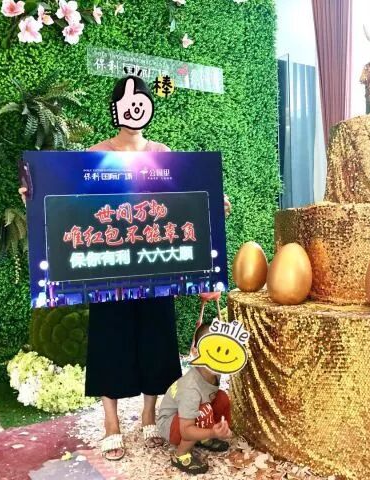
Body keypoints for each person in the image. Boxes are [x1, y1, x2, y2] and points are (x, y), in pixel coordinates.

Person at [19, 75, 231, 462]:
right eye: (127, 104)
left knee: (156, 339)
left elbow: (182, 203)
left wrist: (215, 206)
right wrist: (33, 197)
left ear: (149, 108)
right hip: (109, 272)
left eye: (141, 103)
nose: (134, 110)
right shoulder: (95, 154)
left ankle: (149, 414)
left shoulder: (162, 153)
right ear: (115, 109)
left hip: (155, 268)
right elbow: (68, 202)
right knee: (109, 342)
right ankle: (111, 423)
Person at [156, 323, 233, 475]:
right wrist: (212, 432)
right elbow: (186, 431)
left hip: (191, 414)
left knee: (221, 398)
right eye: (211, 348)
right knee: (203, 411)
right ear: (195, 352)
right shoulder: (190, 389)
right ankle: (180, 455)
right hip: (172, 426)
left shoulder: (214, 373)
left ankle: (203, 438)